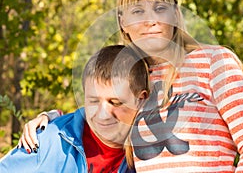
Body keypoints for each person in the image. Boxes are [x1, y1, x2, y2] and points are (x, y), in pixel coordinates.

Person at [16, 0, 243, 172]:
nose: (150, 20)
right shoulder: (133, 79)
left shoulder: (215, 62)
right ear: (122, 22)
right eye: (137, 11)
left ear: (175, 13)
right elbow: (102, 117)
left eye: (160, 8)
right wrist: (50, 121)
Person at [0, 45, 150, 172]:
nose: (102, 115)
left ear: (141, 100)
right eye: (93, 101)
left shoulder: (154, 149)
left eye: (115, 102)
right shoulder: (47, 142)